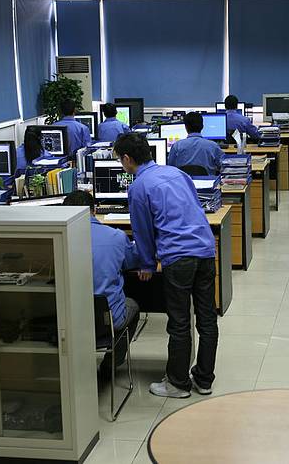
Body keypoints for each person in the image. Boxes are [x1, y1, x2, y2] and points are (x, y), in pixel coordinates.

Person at [113, 133, 218, 398]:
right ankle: (204, 379)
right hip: (205, 249)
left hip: (178, 256)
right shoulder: (177, 173)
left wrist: (147, 264)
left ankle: (178, 384)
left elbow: (142, 231)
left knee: (179, 322)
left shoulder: (139, 186)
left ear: (127, 158)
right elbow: (194, 208)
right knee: (206, 319)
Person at [61, 190, 140, 370]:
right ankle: (109, 368)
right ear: (94, 210)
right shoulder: (116, 237)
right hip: (106, 321)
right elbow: (132, 262)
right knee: (133, 306)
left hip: (69, 320)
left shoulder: (60, 240)